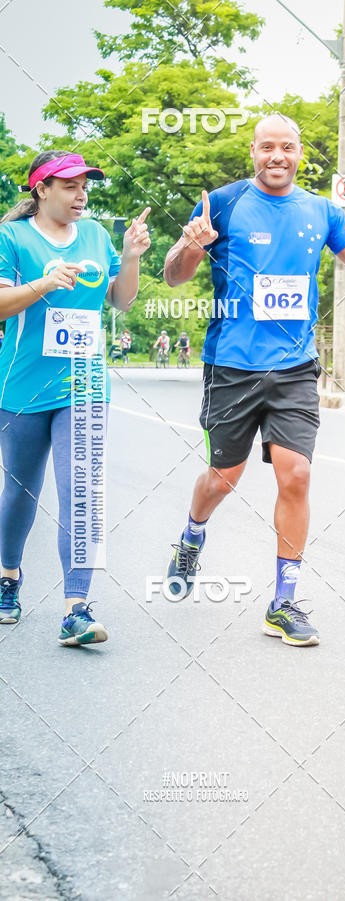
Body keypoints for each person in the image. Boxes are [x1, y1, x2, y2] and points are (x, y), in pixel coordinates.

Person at [163, 114, 345, 647]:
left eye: (287, 148)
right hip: (232, 366)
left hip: (294, 367)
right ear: (253, 152)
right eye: (267, 147)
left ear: (299, 154)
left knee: (295, 476)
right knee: (224, 477)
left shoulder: (321, 210)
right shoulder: (221, 203)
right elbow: (174, 273)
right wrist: (194, 245)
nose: (277, 156)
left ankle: (283, 602)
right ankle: (192, 534)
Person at [0, 150, 151, 643]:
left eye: (85, 184)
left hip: (84, 382)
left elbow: (120, 300)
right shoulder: (13, 238)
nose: (81, 193)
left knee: (81, 491)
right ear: (41, 189)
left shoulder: (96, 236)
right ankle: (8, 578)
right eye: (69, 185)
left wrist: (128, 259)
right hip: (23, 384)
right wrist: (44, 283)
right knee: (21, 491)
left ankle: (77, 608)